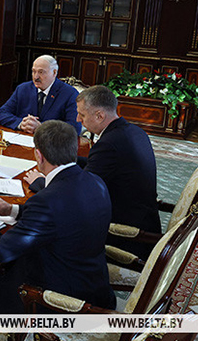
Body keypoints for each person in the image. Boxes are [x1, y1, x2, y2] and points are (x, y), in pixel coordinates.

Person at [0, 120, 115, 314]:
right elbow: (62, 217)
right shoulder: (95, 181)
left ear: (39, 155)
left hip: (56, 301)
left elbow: (1, 250)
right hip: (95, 287)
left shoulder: (46, 200)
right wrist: (10, 209)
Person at [26, 85, 160, 260]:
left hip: (125, 233)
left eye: (82, 115)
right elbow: (97, 163)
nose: (78, 119)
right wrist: (59, 159)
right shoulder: (133, 131)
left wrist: (41, 183)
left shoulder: (109, 144)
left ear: (99, 116)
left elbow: (78, 196)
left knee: (46, 234)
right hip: (146, 218)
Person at [0, 54, 82, 135]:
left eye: (41, 72)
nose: (36, 77)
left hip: (53, 143)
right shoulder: (23, 89)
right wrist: (21, 123)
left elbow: (74, 128)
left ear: (54, 73)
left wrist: (42, 127)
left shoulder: (70, 93)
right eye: (34, 71)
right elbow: (1, 113)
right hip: (23, 139)